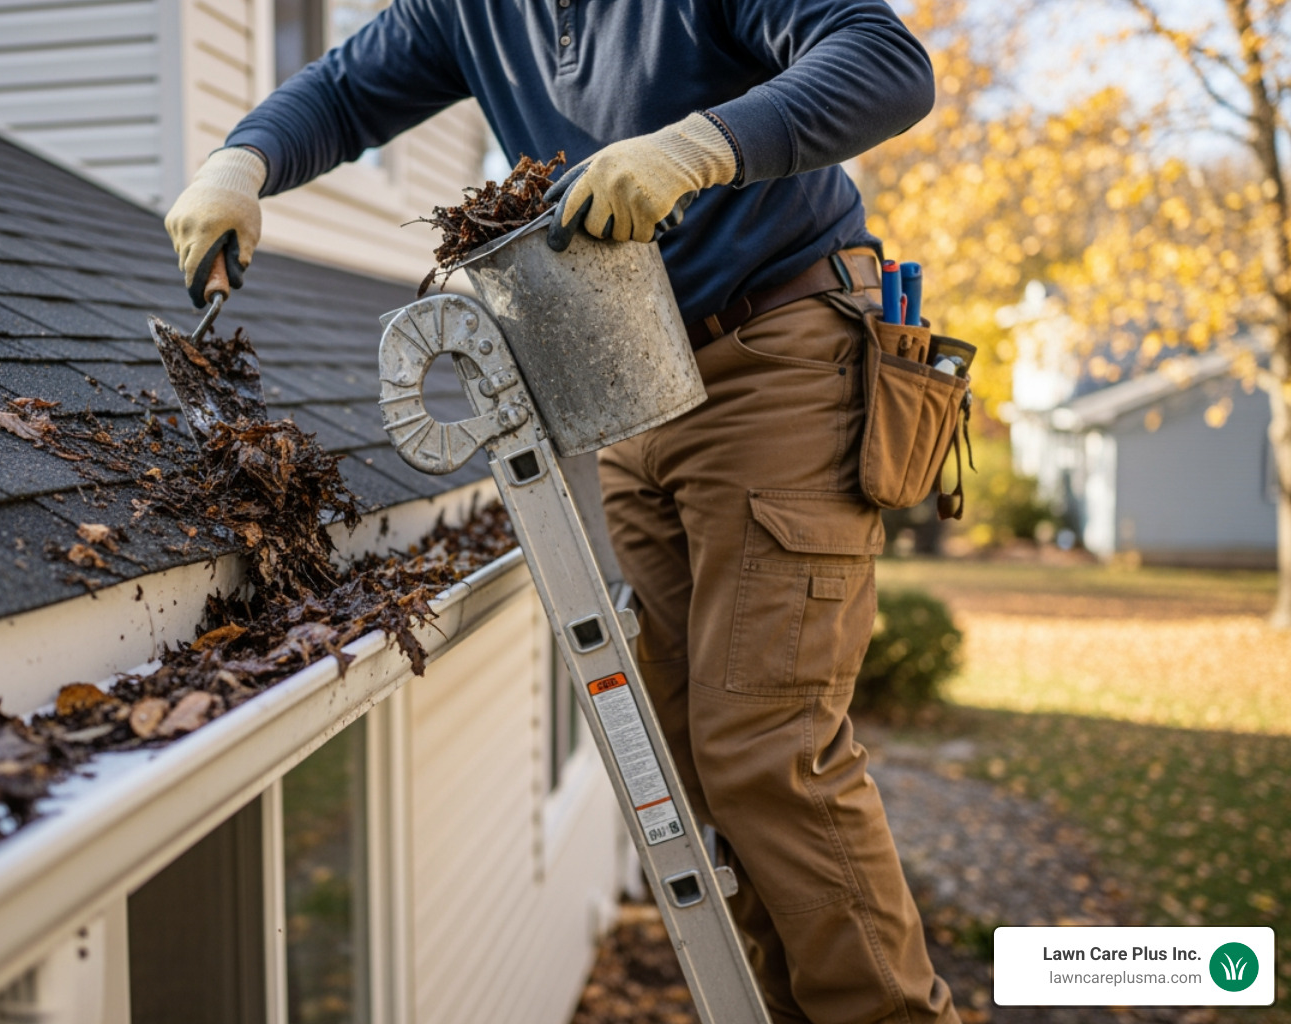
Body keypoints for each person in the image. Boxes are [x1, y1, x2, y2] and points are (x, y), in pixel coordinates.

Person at [165, 3, 959, 1021]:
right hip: (634, 373)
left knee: (767, 748)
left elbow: (887, 62)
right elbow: (347, 91)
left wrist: (697, 148)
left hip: (782, 349)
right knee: (692, 759)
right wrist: (242, 162)